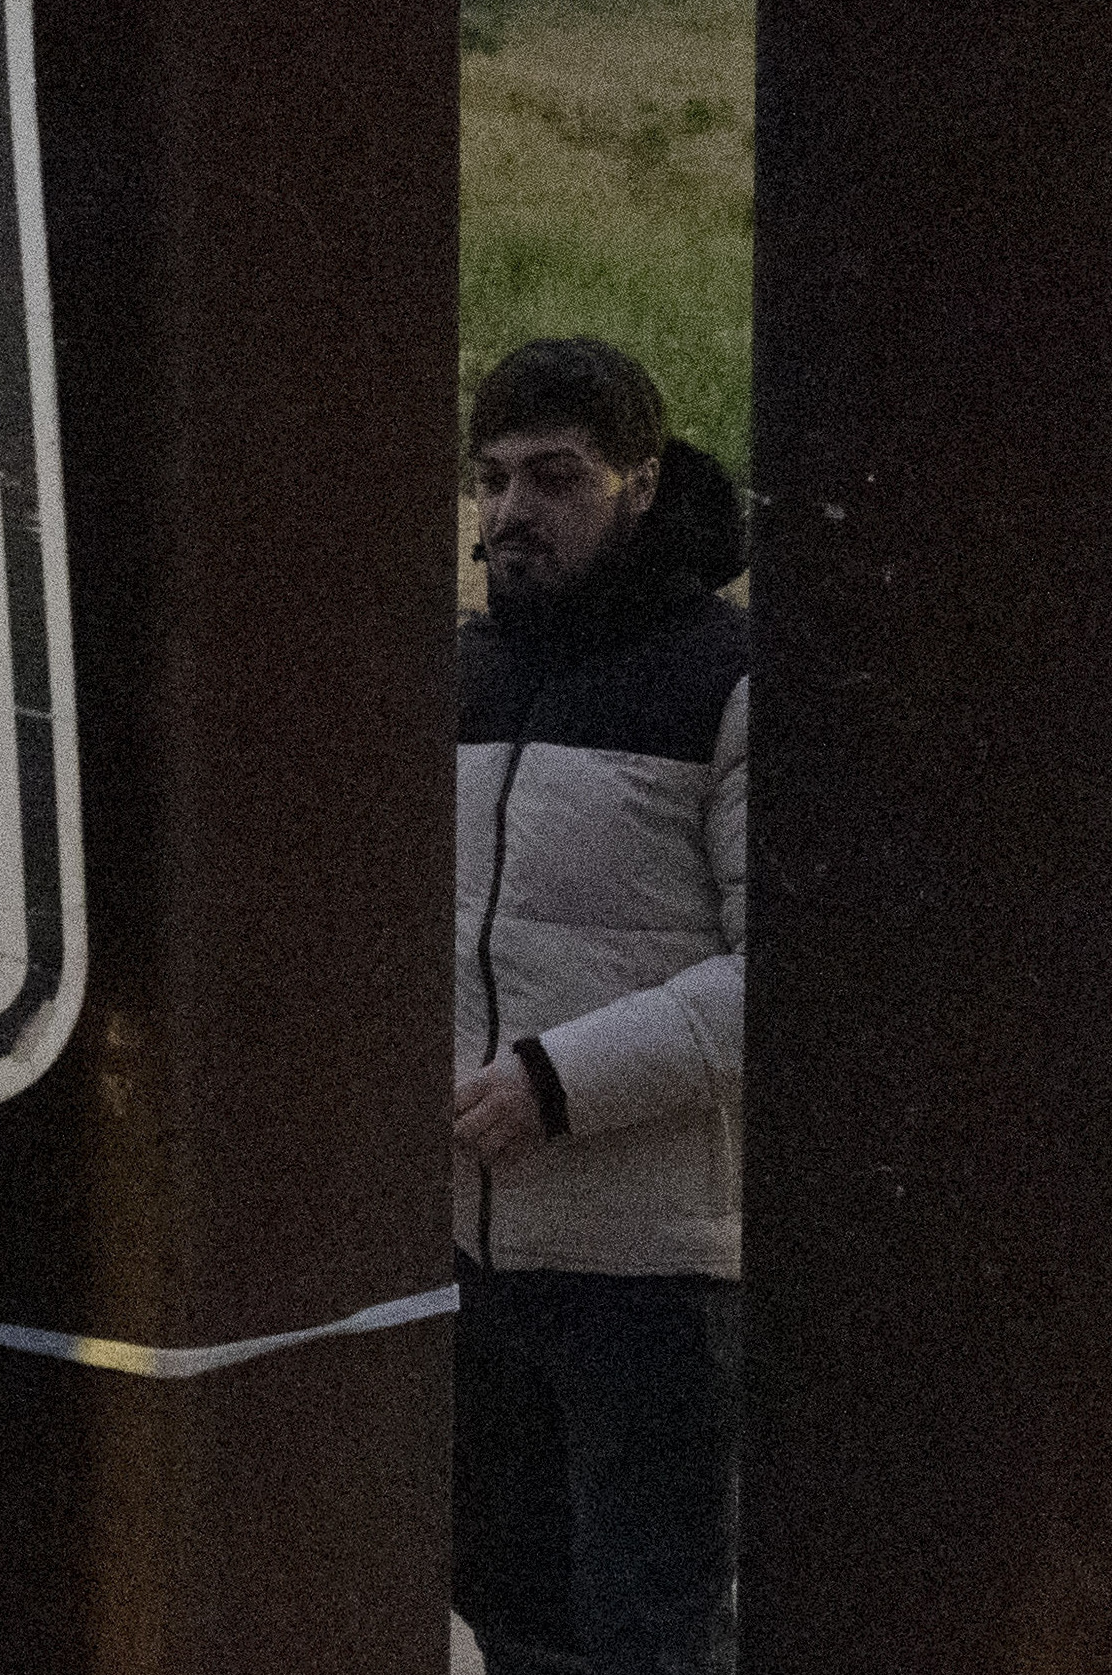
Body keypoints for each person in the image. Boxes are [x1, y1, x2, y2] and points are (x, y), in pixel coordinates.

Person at [450, 337, 747, 1675]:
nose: (510, 511)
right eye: (492, 478)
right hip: (467, 1258)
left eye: (553, 477)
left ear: (638, 479)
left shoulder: (732, 681)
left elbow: (790, 970)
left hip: (655, 1277)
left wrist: (556, 1082)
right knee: (512, 1619)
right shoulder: (459, 679)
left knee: (650, 1635)